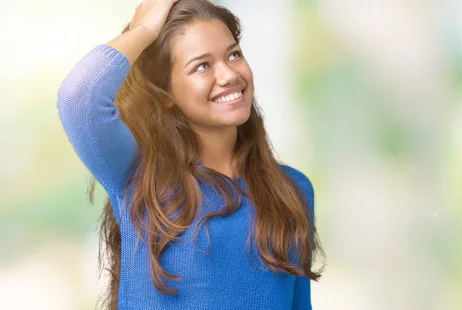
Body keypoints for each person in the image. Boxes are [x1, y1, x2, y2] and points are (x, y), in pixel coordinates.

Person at [56, 0, 325, 309]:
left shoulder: (292, 189)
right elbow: (80, 98)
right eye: (202, 66)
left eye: (233, 54)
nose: (228, 75)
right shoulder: (139, 174)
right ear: (167, 93)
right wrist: (143, 31)